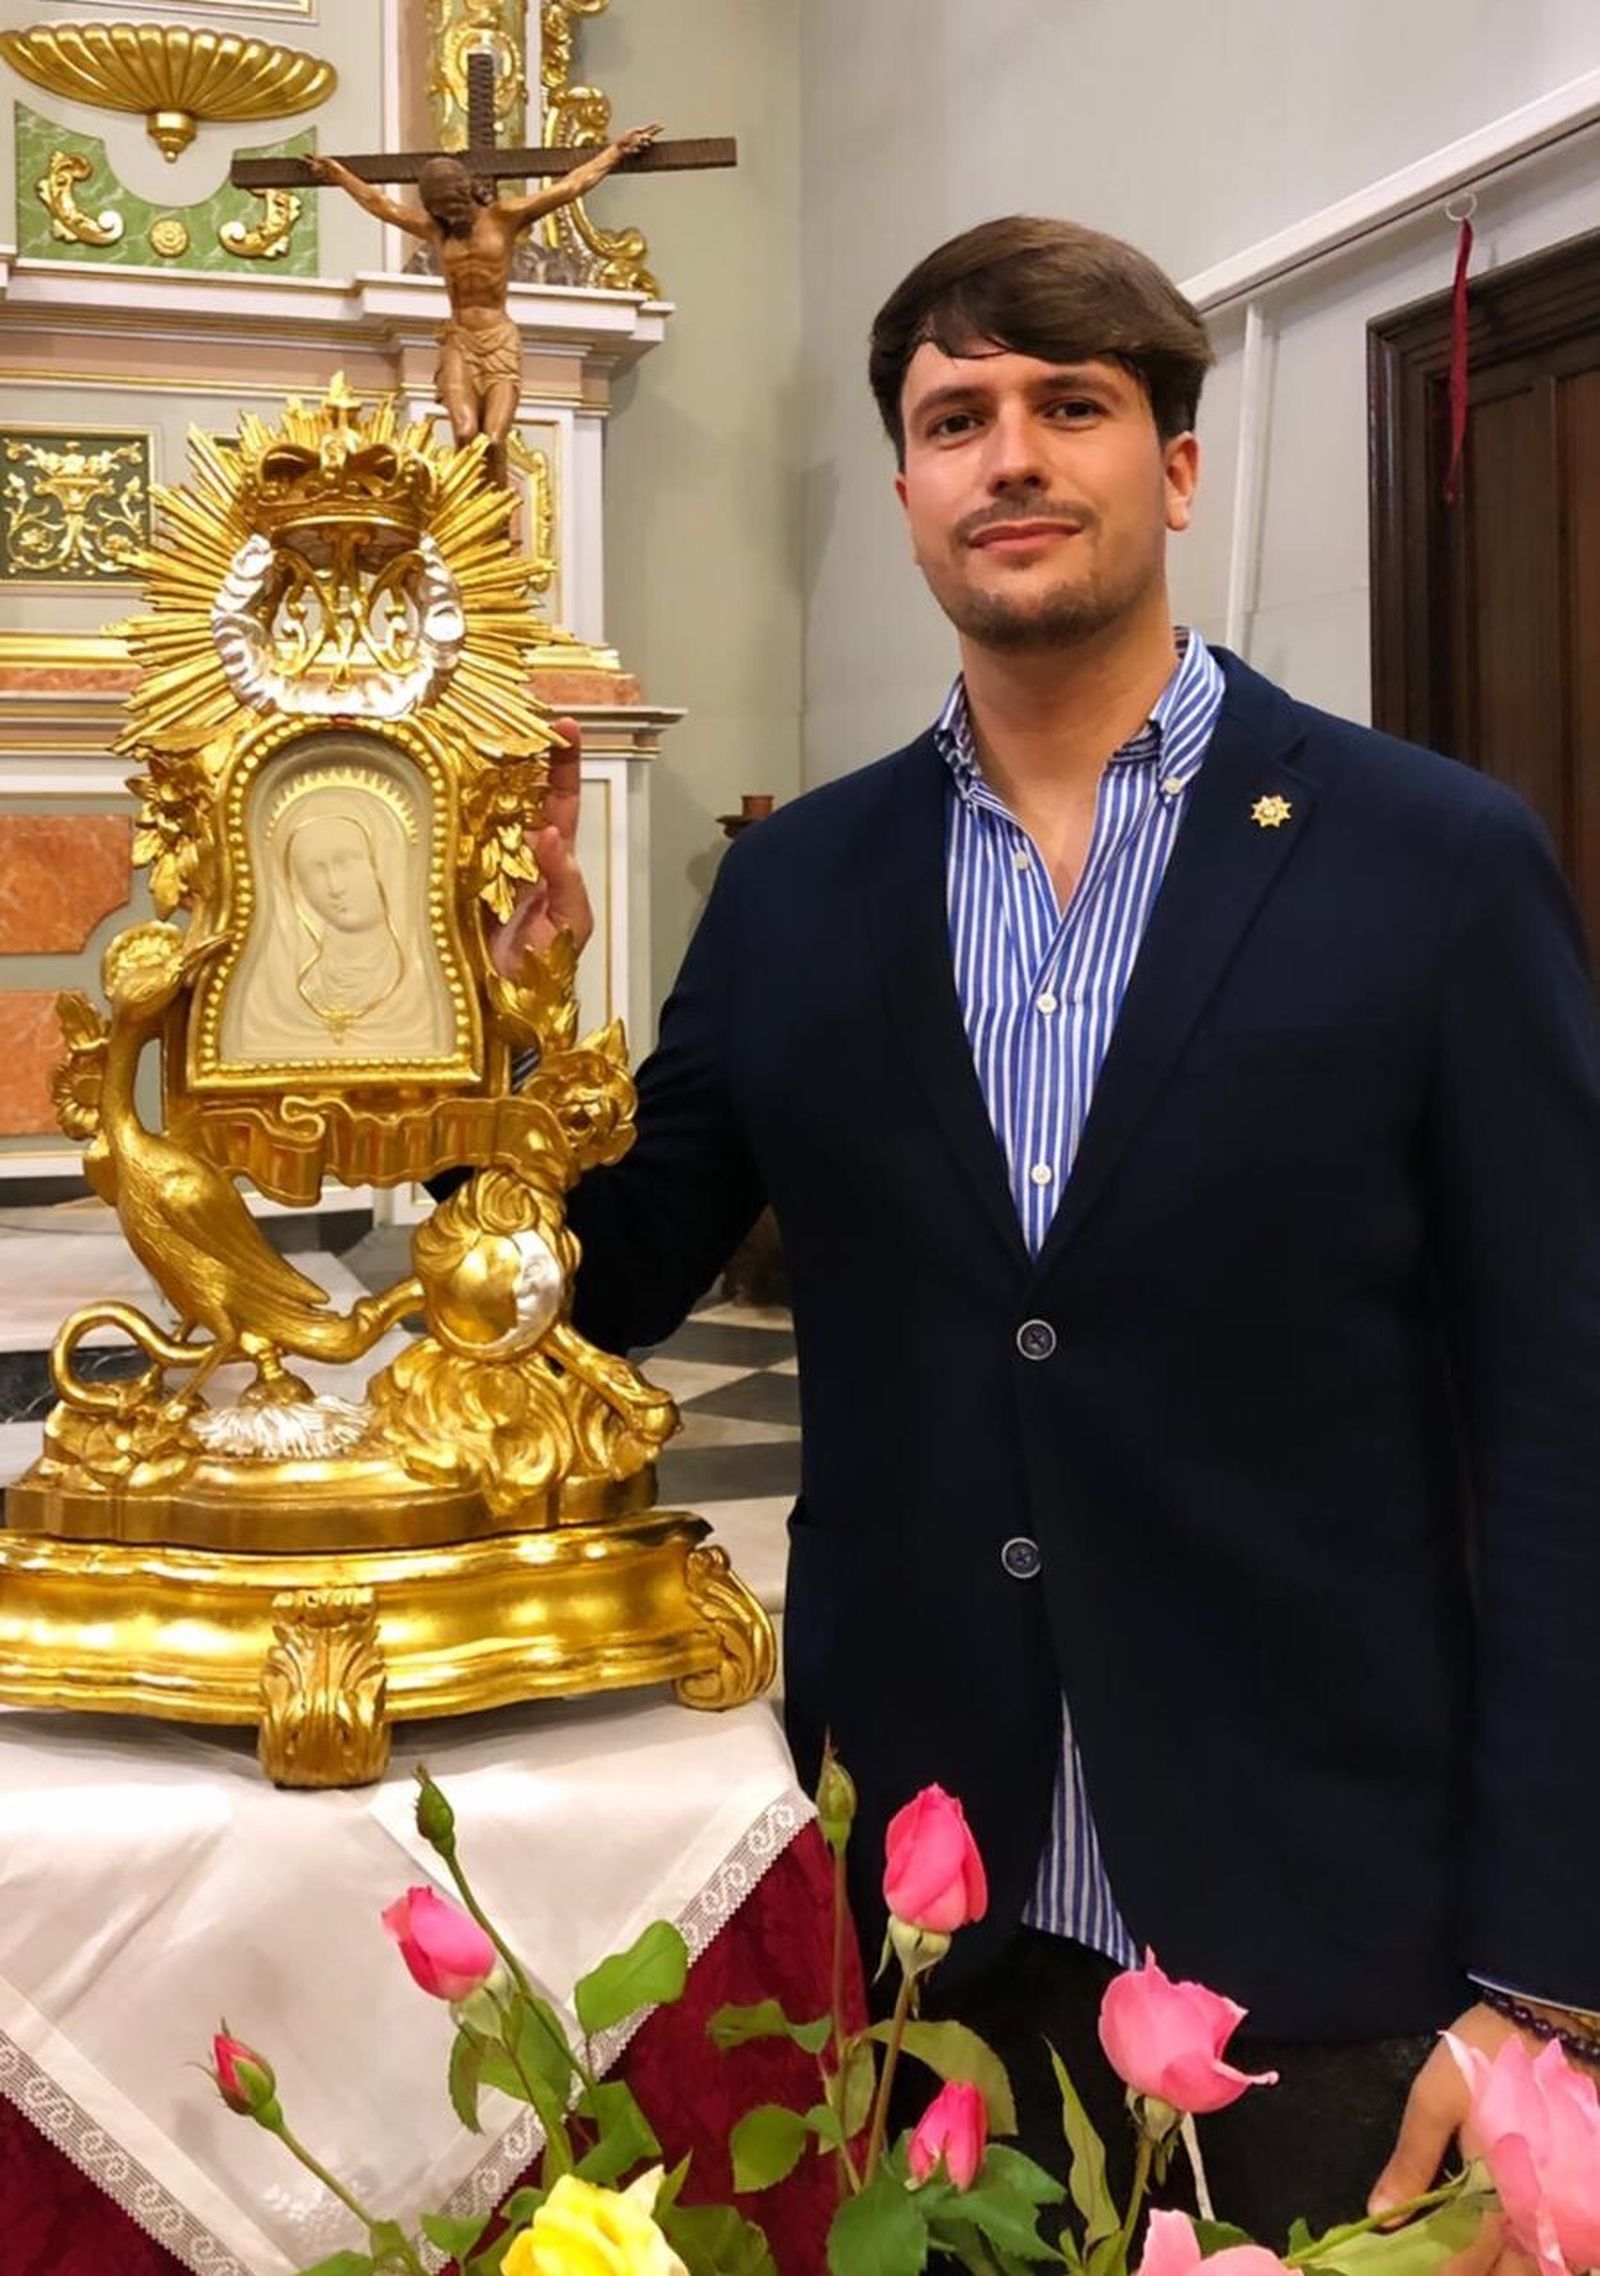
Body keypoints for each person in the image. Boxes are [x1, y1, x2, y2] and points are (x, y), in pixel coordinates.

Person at [490, 217, 1600, 2255]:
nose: (1008, 456)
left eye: (1066, 407)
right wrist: (494, 1034)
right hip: (927, 1921)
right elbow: (609, 1279)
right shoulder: (801, 891)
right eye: (953, 418)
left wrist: (1547, 1967)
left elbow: (1562, 1419)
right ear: (906, 488)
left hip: (1329, 1908)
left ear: (1171, 467)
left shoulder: (1427, 863)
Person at [309, 131, 659, 483]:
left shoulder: (504, 217)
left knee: (491, 440)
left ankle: (497, 516)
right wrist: (339, 176)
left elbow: (568, 188)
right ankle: (470, 511)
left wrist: (615, 152)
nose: (446, 214)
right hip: (459, 340)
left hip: (499, 339)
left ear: (467, 192)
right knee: (464, 433)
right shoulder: (437, 230)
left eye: (451, 205)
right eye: (439, 209)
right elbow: (382, 205)